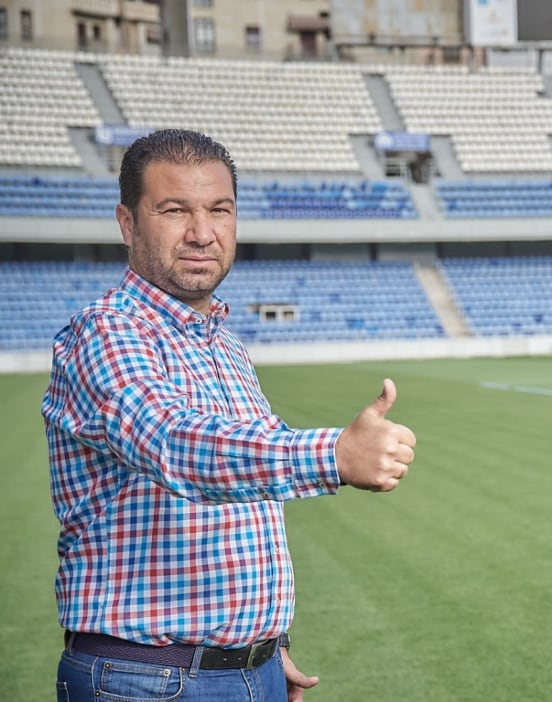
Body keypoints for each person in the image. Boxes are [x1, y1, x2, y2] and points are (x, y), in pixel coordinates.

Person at [42, 128, 418, 701]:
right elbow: (175, 442)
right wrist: (334, 454)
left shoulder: (225, 345)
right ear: (127, 224)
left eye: (219, 209)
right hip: (147, 680)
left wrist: (264, 646)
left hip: (246, 672)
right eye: (174, 210)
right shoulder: (107, 332)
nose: (202, 232)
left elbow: (244, 498)